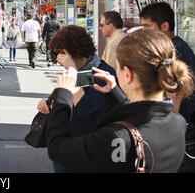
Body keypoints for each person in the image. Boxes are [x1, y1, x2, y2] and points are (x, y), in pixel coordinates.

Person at [39, 29, 193, 172]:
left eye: (117, 66)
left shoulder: (116, 137)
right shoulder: (177, 122)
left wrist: (63, 97)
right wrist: (114, 94)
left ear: (127, 74)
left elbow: (58, 148)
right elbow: (137, 115)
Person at [45, 25, 116, 172]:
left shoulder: (102, 73)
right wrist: (49, 104)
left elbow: (85, 109)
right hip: (71, 145)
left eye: (62, 53)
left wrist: (71, 70)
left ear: (75, 50)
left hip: (87, 152)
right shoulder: (80, 70)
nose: (59, 59)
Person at [139, 2, 195, 172]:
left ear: (164, 26)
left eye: (147, 26)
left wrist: (167, 130)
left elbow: (174, 94)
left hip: (182, 125)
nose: (144, 32)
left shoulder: (175, 51)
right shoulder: (174, 46)